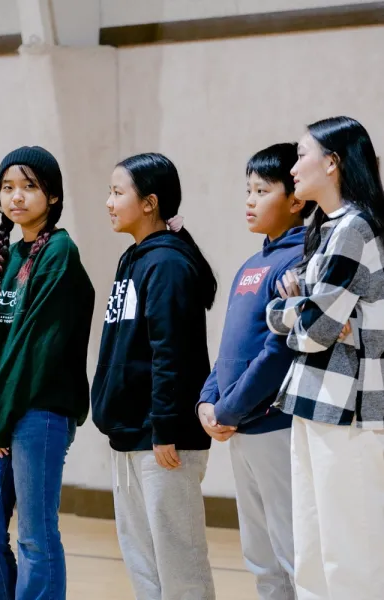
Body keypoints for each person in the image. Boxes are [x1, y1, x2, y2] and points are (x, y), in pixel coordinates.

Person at [0, 146, 95, 600]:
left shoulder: (59, 253)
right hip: (3, 417)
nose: (17, 196)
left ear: (53, 195)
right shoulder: (4, 260)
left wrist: (1, 421)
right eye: (7, 188)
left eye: (29, 186)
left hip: (39, 412)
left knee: (35, 537)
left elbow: (35, 348)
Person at [266, 116, 384, 600]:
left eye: (301, 155)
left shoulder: (356, 228)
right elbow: (288, 316)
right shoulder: (324, 228)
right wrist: (302, 309)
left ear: (332, 163)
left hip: (349, 409)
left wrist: (300, 311)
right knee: (312, 550)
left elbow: (314, 330)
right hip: (313, 401)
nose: (293, 167)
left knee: (349, 553)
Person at [91, 153, 216, 600]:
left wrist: (165, 428)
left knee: (180, 568)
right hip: (130, 436)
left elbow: (171, 353)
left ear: (150, 203)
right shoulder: (133, 259)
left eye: (117, 192)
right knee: (144, 566)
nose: (109, 202)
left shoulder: (167, 264)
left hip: (163, 441)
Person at [198, 143, 315, 600]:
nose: (250, 200)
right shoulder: (252, 263)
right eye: (248, 190)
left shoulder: (300, 259)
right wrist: (208, 400)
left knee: (292, 554)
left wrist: (228, 409)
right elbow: (230, 347)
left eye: (262, 191)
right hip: (239, 425)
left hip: (273, 425)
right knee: (261, 558)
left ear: (296, 199)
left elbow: (277, 351)